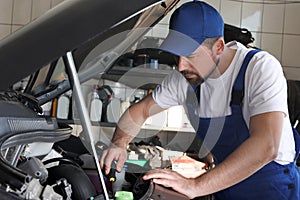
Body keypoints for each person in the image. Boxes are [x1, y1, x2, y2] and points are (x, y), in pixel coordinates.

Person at [100, 1, 300, 199]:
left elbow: (266, 145)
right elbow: (140, 111)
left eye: (191, 56)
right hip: (225, 186)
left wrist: (195, 186)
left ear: (219, 47)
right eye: (177, 56)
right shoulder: (185, 78)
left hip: (272, 189)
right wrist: (119, 143)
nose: (180, 66)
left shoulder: (259, 68)